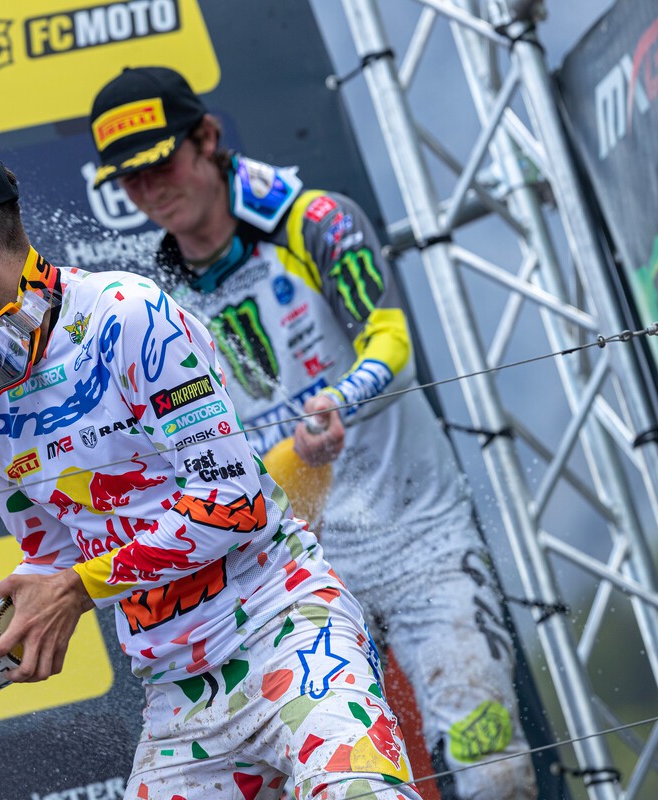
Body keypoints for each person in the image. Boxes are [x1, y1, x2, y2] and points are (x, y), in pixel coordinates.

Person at [0, 137, 423, 799]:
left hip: (288, 633)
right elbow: (52, 564)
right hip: (178, 697)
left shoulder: (126, 316)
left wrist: (79, 587)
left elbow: (233, 501)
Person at [87, 67, 538, 800]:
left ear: (207, 138)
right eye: (128, 178)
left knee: (493, 770)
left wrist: (340, 401)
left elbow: (392, 342)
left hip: (419, 539)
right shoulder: (154, 304)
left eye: (159, 163)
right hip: (292, 575)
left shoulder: (316, 220)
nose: (148, 189)